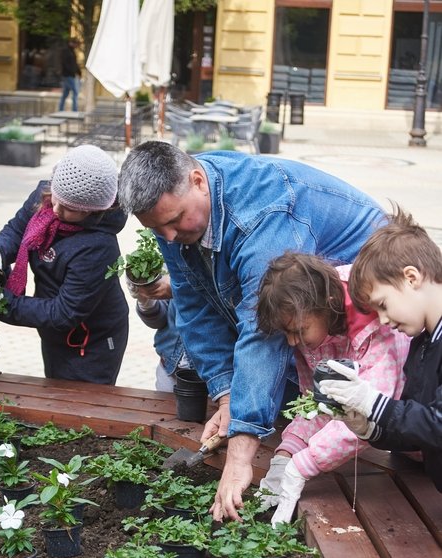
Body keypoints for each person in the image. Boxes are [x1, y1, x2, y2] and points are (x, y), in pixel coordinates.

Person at [117, 141, 387, 520]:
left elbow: (264, 333)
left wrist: (241, 455)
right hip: (311, 337)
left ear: (197, 180)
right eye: (157, 228)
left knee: (380, 431)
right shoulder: (182, 211)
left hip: (370, 321)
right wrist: (228, 397)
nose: (170, 237)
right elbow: (195, 308)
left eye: (175, 220)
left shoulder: (263, 218)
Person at [255, 252, 410, 525]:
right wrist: (286, 452)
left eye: (299, 330)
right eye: (286, 334)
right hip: (407, 449)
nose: (293, 342)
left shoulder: (376, 322)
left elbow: (367, 415)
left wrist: (304, 465)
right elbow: (317, 405)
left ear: (326, 304)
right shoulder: (312, 324)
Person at [0, 145, 129, 384]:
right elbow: (16, 230)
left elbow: (63, 313)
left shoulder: (99, 247)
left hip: (91, 340)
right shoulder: (45, 196)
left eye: (69, 209)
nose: (55, 209)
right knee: (55, 386)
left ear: (93, 211)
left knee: (78, 406)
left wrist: (0, 302)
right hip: (53, 330)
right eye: (56, 197)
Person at [318, 207, 442, 492]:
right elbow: (418, 432)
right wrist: (369, 427)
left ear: (411, 277)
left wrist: (374, 402)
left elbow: (438, 425)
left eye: (383, 304)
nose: (383, 320)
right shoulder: (423, 344)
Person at [128, 273, 192, 391]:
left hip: (218, 375)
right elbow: (160, 322)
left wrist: (181, 287)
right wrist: (146, 301)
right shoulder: (173, 256)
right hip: (169, 369)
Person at [58, 38, 81, 112]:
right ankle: (74, 110)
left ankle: (60, 109)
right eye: (75, 44)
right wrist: (72, 71)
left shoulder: (72, 52)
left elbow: (75, 64)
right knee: (75, 92)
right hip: (67, 75)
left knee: (65, 93)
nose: (76, 46)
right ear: (71, 43)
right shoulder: (65, 51)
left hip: (70, 75)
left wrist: (78, 72)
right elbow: (65, 64)